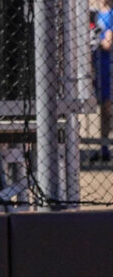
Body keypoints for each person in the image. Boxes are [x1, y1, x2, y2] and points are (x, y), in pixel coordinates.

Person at [93, 1, 113, 162]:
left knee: (108, 108)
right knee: (104, 109)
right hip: (101, 66)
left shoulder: (111, 14)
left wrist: (94, 40)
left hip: (109, 66)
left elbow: (107, 43)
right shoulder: (99, 13)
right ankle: (104, 147)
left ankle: (105, 146)